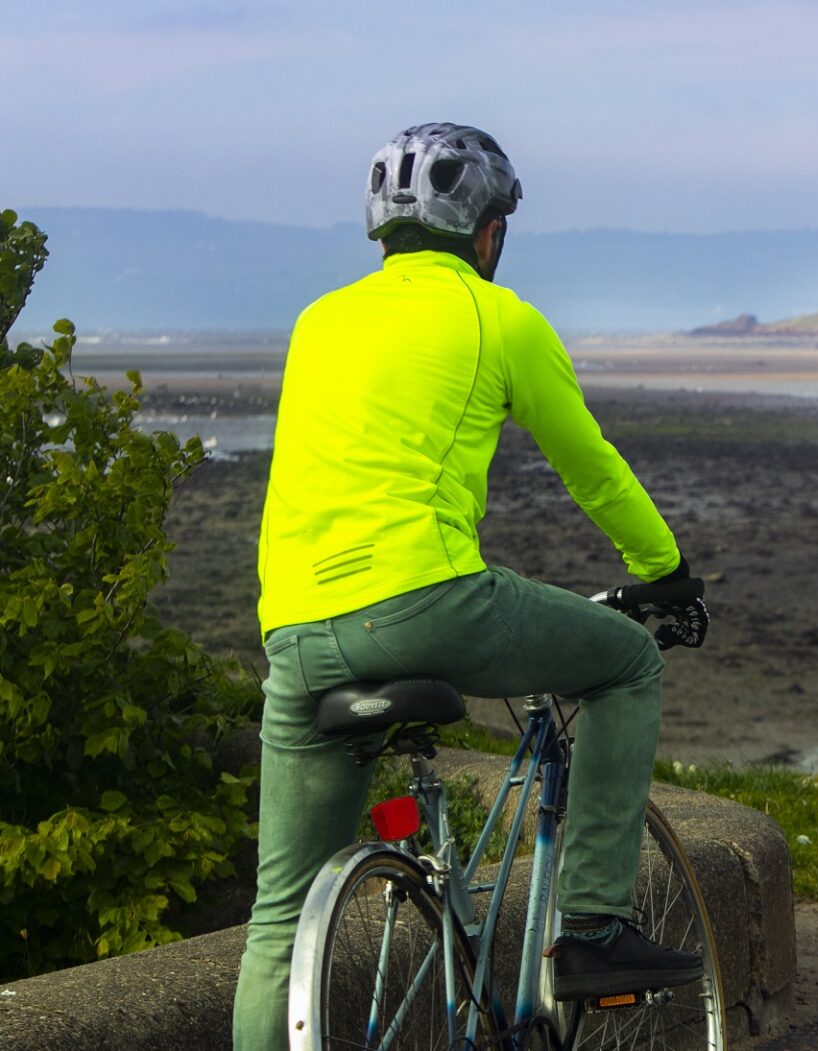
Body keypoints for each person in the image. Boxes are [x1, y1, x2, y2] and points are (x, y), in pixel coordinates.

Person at [232, 122, 707, 1050]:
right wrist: (664, 573)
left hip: (294, 632)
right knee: (625, 662)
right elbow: (593, 469)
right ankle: (597, 928)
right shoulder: (502, 318)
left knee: (279, 919)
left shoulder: (317, 322)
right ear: (487, 233)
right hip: (427, 604)